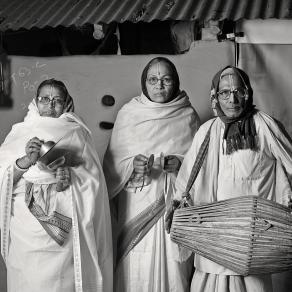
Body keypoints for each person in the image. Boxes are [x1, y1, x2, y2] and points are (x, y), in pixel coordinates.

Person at [169, 66, 292, 292]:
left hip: (251, 240)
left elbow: (289, 165)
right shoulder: (207, 131)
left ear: (248, 93)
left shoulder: (264, 126)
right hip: (212, 237)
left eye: (238, 91)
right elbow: (188, 178)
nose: (232, 98)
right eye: (225, 92)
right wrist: (177, 206)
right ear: (215, 97)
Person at [0, 79, 113, 292]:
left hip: (65, 230)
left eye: (57, 100)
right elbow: (3, 177)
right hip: (25, 230)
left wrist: (67, 180)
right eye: (45, 99)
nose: (50, 106)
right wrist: (25, 161)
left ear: (67, 104)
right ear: (35, 102)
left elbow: (93, 183)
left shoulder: (77, 132)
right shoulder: (20, 131)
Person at [103, 57, 201, 292]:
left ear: (175, 82)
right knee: (136, 264)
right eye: (153, 79)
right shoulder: (129, 114)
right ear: (144, 83)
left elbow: (203, 166)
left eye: (166, 79)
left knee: (174, 268)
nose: (159, 85)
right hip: (136, 203)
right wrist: (132, 167)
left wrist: (180, 165)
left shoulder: (188, 115)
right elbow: (112, 167)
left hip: (174, 209)